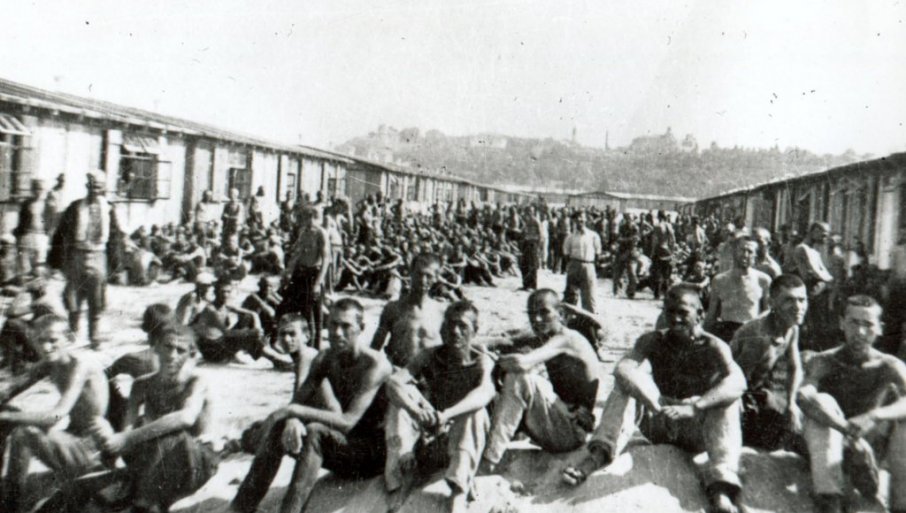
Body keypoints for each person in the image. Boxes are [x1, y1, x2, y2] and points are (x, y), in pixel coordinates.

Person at [564, 285, 746, 513]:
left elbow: (738, 382)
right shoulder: (652, 340)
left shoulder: (714, 346)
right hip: (660, 421)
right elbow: (623, 369)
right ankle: (599, 454)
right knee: (624, 385)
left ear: (700, 314)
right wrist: (654, 402)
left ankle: (721, 486)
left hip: (695, 428)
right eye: (670, 311)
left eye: (683, 312)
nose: (675, 319)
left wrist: (696, 407)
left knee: (729, 401)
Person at [229, 298, 392, 513]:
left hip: (371, 457)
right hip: (342, 448)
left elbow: (348, 421)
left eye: (346, 326)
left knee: (315, 431)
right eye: (333, 324)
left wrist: (292, 411)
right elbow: (300, 399)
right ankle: (241, 507)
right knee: (282, 426)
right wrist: (292, 419)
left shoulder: (375, 364)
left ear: (361, 328)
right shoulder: (325, 358)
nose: (337, 332)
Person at [384, 300, 496, 513]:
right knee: (402, 396)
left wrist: (447, 414)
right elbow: (393, 383)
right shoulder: (430, 355)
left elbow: (485, 393)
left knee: (476, 412)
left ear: (475, 330)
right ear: (443, 328)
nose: (455, 331)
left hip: (465, 442)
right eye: (450, 324)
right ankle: (401, 476)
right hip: (435, 438)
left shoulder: (481, 362)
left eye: (463, 326)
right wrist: (416, 411)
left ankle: (458, 492)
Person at [93, 324, 219, 513]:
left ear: (190, 354)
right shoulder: (141, 385)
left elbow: (186, 418)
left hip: (194, 460)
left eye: (181, 350)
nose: (172, 355)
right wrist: (111, 440)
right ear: (156, 347)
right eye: (168, 347)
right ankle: (140, 492)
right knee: (142, 426)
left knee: (171, 433)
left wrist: (127, 438)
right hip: (157, 458)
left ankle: (143, 501)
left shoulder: (196, 381)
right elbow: (127, 430)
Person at [797, 295, 906, 513]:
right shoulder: (824, 361)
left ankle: (900, 505)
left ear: (880, 328)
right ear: (842, 323)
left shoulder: (889, 365)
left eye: (868, 325)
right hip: (828, 446)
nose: (860, 332)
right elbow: (804, 397)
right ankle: (831, 500)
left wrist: (875, 415)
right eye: (854, 323)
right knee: (822, 401)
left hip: (868, 452)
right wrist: (846, 430)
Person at [0, 314, 111, 513]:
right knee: (11, 414)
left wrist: (8, 417)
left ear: (68, 339)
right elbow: (10, 389)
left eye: (53, 340)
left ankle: (10, 506)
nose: (46, 347)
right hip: (72, 441)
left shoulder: (81, 365)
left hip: (92, 450)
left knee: (23, 432)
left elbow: (56, 416)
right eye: (40, 340)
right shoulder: (51, 362)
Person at [481, 289, 600, 472]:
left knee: (520, 377)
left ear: (560, 314)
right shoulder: (546, 336)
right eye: (532, 314)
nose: (536, 319)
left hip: (573, 431)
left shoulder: (567, 339)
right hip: (559, 421)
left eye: (544, 312)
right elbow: (505, 341)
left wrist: (496, 360)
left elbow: (521, 363)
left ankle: (489, 460)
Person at [730, 274, 807, 450]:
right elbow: (735, 379)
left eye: (802, 300)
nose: (798, 307)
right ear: (772, 303)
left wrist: (791, 403)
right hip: (740, 393)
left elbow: (795, 367)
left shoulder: (791, 327)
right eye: (789, 300)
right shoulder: (759, 337)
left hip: (758, 391)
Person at [47, 170, 123, 347]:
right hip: (77, 255)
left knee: (96, 298)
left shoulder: (108, 208)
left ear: (103, 188)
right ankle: (72, 332)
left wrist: (116, 265)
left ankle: (94, 336)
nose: (95, 189)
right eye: (92, 185)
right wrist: (56, 261)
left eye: (98, 186)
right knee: (73, 295)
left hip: (99, 255)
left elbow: (114, 237)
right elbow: (61, 233)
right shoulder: (75, 207)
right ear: (87, 186)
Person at [371, 254, 444, 367]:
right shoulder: (393, 308)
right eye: (419, 274)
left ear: (436, 277)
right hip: (397, 371)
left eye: (429, 276)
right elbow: (375, 348)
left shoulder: (441, 311)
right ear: (411, 273)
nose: (423, 280)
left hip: (429, 373)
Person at [279, 205, 330, 349]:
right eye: (305, 218)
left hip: (314, 275)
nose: (309, 221)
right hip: (301, 274)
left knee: (316, 315)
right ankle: (305, 346)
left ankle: (315, 348)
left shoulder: (321, 233)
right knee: (303, 312)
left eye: (312, 218)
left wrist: (318, 283)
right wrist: (288, 272)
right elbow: (297, 254)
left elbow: (326, 259)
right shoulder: (303, 232)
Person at [705, 236, 771, 343]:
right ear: (734, 251)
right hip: (726, 333)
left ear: (755, 255)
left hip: (751, 334)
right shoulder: (719, 280)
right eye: (742, 250)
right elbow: (711, 315)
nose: (745, 255)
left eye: (750, 251)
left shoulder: (763, 280)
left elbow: (767, 313)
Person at [190, 277, 266, 363]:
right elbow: (227, 333)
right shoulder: (211, 310)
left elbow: (252, 313)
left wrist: (257, 328)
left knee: (247, 317)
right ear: (216, 292)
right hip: (211, 350)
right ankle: (273, 357)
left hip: (219, 343)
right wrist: (252, 332)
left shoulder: (226, 306)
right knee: (249, 336)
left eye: (228, 292)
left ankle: (270, 356)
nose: (225, 295)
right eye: (222, 292)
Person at [794, 222, 835, 351]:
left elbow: (824, 271)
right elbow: (814, 272)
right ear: (814, 231)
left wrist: (826, 278)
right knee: (804, 326)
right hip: (805, 292)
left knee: (818, 327)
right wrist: (828, 279)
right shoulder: (802, 248)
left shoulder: (815, 252)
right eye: (823, 235)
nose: (825, 239)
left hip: (817, 293)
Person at [562, 210, 602, 313]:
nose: (580, 220)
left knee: (589, 295)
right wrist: (571, 266)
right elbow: (566, 253)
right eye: (578, 218)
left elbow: (597, 252)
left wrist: (593, 267)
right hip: (574, 264)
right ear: (574, 221)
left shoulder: (593, 236)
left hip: (588, 265)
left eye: (582, 218)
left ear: (586, 220)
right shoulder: (570, 237)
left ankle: (590, 317)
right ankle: (569, 316)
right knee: (571, 294)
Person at [13, 179, 50, 278]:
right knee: (24, 265)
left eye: (42, 189)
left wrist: (48, 238)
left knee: (39, 266)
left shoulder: (48, 205)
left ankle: (38, 284)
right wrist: (19, 236)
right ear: (32, 190)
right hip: (27, 236)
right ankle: (25, 283)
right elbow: (21, 222)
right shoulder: (26, 204)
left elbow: (50, 224)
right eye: (37, 189)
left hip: (41, 237)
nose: (40, 192)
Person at [518, 206, 542, 290]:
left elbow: (540, 235)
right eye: (527, 211)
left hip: (533, 244)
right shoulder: (526, 221)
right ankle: (526, 284)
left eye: (530, 211)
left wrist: (538, 247)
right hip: (526, 243)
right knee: (524, 265)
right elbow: (523, 232)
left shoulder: (536, 221)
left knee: (532, 265)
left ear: (533, 212)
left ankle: (533, 285)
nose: (528, 213)